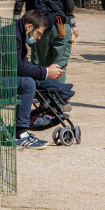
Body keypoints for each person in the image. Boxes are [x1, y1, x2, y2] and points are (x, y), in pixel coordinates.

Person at [14, 9, 64, 149]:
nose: (39, 38)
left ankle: (20, 130)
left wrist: (46, 72)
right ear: (29, 27)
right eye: (39, 33)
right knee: (28, 83)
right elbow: (19, 69)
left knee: (31, 81)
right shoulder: (15, 35)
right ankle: (20, 133)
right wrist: (47, 72)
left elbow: (21, 66)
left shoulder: (17, 32)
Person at [29, 0, 79, 85]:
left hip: (39, 27)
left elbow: (29, 8)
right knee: (59, 63)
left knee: (40, 62)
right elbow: (70, 6)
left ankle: (43, 96)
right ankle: (57, 99)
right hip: (59, 26)